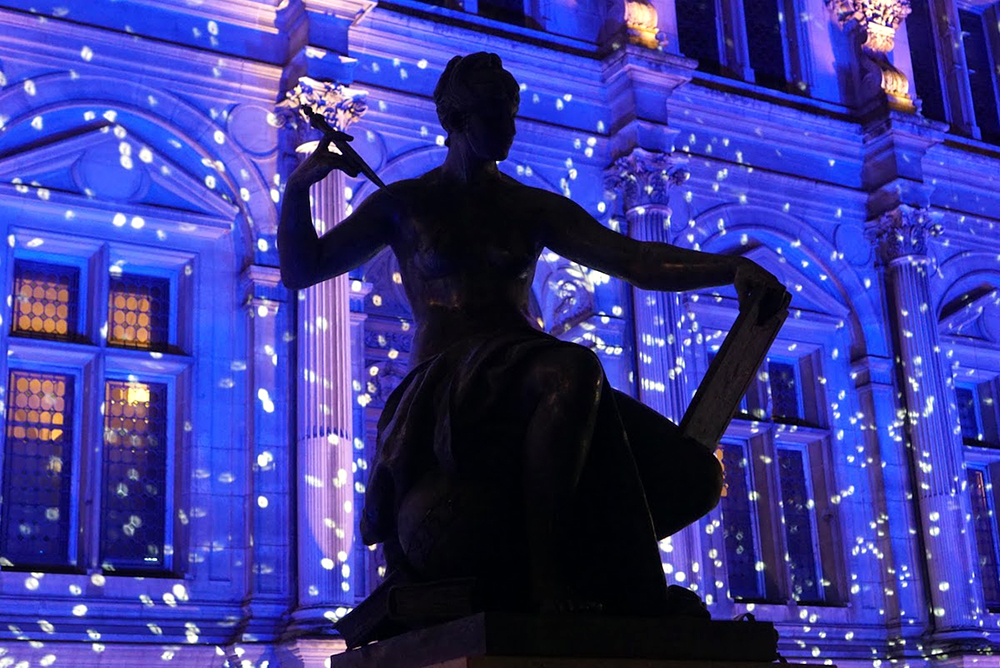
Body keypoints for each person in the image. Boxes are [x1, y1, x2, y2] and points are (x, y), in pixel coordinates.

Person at [278, 52, 786, 616]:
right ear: (455, 119)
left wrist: (728, 269)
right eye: (493, 114)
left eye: (512, 114)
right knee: (574, 368)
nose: (508, 128)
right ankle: (548, 581)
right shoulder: (406, 204)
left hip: (527, 370)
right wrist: (300, 188)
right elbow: (304, 268)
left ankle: (597, 574)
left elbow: (635, 259)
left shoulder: (528, 206)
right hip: (450, 383)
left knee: (692, 475)